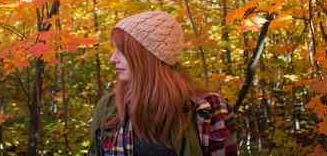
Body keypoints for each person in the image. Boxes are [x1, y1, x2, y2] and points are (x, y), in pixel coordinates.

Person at [88, 10, 238, 156]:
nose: (113, 59)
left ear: (149, 56)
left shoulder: (208, 108)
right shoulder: (108, 107)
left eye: (122, 51)